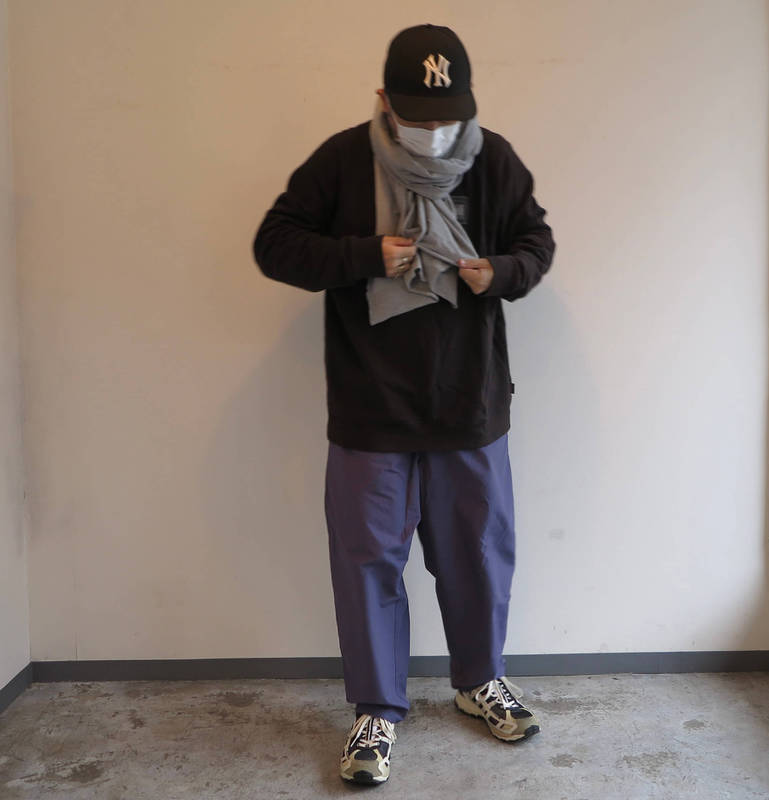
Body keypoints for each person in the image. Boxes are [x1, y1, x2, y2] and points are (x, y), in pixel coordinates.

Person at [252, 23, 555, 786]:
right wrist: (363, 255)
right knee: (366, 560)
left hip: (469, 399)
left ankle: (479, 680)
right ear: (383, 100)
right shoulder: (342, 161)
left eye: (447, 116)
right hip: (371, 403)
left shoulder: (493, 159)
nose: (434, 131)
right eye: (418, 117)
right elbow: (275, 245)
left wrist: (501, 273)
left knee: (478, 552)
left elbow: (537, 244)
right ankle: (376, 709)